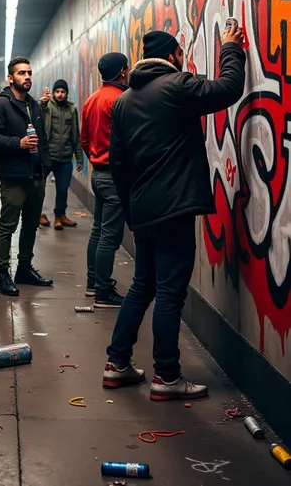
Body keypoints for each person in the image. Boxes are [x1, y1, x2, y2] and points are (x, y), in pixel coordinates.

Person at [103, 24, 246, 401]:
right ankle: (166, 375)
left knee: (143, 285)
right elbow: (228, 89)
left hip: (144, 209)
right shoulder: (178, 86)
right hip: (175, 207)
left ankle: (117, 363)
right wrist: (231, 49)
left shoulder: (123, 102)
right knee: (169, 293)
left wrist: (133, 214)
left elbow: (118, 165)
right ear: (174, 56)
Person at [0, 56, 53, 296]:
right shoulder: (1, 104)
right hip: (13, 176)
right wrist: (18, 143)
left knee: (31, 225)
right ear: (11, 78)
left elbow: (42, 139)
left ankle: (24, 268)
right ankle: (2, 274)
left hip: (36, 175)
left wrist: (46, 164)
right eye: (22, 73)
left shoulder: (33, 104)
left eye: (29, 73)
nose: (28, 77)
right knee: (7, 226)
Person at [81, 53, 129, 309]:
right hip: (114, 176)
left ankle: (92, 283)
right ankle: (102, 291)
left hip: (98, 174)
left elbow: (84, 139)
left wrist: (95, 158)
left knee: (98, 231)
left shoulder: (92, 99)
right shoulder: (121, 100)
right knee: (110, 236)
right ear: (122, 72)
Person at [39, 79, 83, 230]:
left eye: (62, 92)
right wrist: (42, 103)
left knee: (63, 189)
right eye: (57, 91)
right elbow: (37, 114)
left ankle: (60, 216)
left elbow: (76, 135)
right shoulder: (47, 106)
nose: (59, 94)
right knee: (39, 187)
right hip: (48, 156)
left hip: (65, 157)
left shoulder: (71, 109)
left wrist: (79, 158)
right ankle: (39, 214)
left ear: (66, 93)